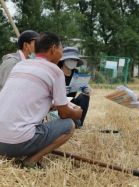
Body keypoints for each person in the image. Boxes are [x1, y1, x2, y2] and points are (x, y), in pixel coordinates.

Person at [0, 32, 82, 167]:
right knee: (69, 125)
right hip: (16, 144)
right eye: (62, 49)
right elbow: (64, 114)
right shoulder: (55, 71)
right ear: (54, 49)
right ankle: (30, 161)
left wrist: (52, 106)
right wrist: (77, 113)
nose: (62, 55)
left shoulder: (20, 65)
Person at [57, 47, 91, 128]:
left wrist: (86, 89)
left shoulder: (76, 72)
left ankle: (79, 123)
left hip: (72, 103)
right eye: (70, 59)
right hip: (59, 105)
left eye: (74, 60)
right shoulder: (56, 71)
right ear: (64, 60)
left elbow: (82, 85)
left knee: (85, 97)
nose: (73, 62)